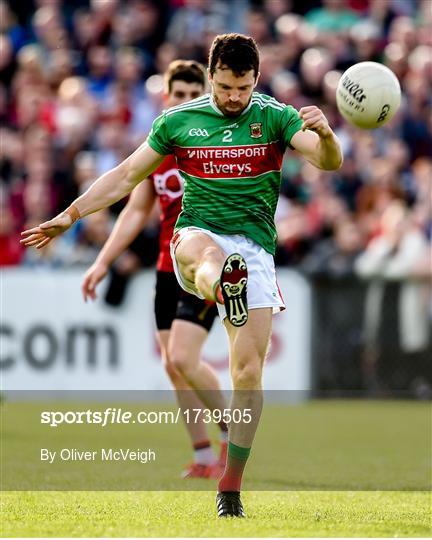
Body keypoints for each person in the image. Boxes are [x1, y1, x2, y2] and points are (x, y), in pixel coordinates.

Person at [21, 33, 343, 517]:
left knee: (248, 373)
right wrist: (71, 214)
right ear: (211, 75)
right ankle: (222, 285)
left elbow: (326, 162)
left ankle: (230, 485)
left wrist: (327, 135)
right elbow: (126, 176)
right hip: (196, 234)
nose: (235, 97)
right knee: (206, 257)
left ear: (256, 79)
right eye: (227, 86)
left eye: (244, 87)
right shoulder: (178, 122)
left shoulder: (274, 115)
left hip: (255, 249)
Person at [81, 60, 229, 479]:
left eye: (192, 94)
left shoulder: (216, 145)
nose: (184, 101)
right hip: (167, 266)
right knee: (172, 363)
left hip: (203, 264)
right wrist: (103, 261)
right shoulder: (159, 148)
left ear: (206, 96)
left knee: (183, 357)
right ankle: (203, 455)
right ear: (166, 98)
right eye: (177, 95)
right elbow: (136, 210)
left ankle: (232, 434)